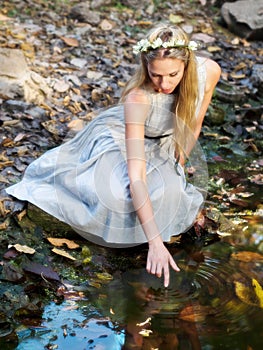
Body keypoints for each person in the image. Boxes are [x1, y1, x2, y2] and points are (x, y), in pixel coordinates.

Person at [6, 23, 221, 288]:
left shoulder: (208, 72)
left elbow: (194, 122)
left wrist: (179, 162)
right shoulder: (139, 98)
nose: (164, 84)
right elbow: (136, 176)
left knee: (171, 191)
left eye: (172, 75)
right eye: (155, 75)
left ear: (186, 67)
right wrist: (155, 242)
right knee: (119, 198)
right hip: (121, 140)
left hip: (161, 141)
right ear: (145, 67)